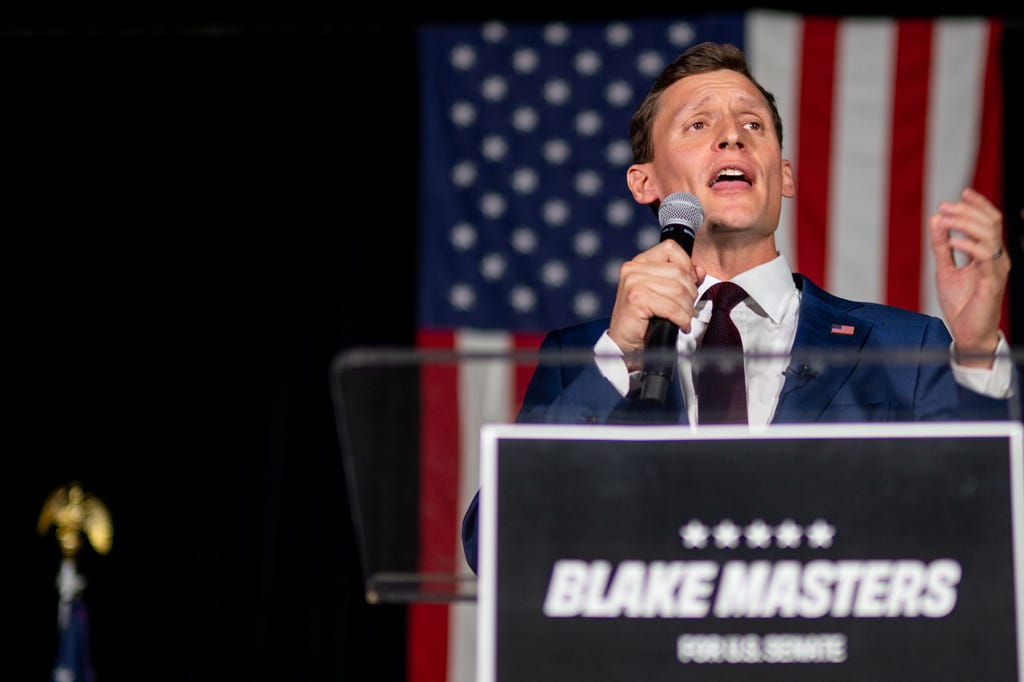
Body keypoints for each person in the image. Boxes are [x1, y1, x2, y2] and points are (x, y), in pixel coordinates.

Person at [461, 41, 1014, 573]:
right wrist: (618, 357)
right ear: (645, 182)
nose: (732, 138)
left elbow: (985, 520)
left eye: (753, 125)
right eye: (699, 125)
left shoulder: (904, 347)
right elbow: (497, 546)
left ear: (785, 175)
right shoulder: (581, 357)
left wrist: (976, 352)